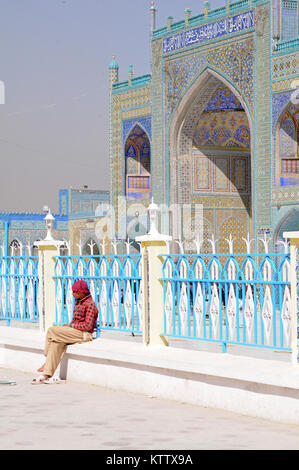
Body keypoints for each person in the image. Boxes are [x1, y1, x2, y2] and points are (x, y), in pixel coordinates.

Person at [32, 280, 99, 384]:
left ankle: (46, 360)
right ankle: (46, 375)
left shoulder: (90, 305)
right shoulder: (78, 302)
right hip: (74, 332)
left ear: (81, 292)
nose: (72, 294)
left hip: (84, 334)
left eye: (74, 292)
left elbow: (88, 326)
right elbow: (75, 320)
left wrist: (70, 326)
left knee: (51, 330)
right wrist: (69, 327)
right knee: (56, 343)